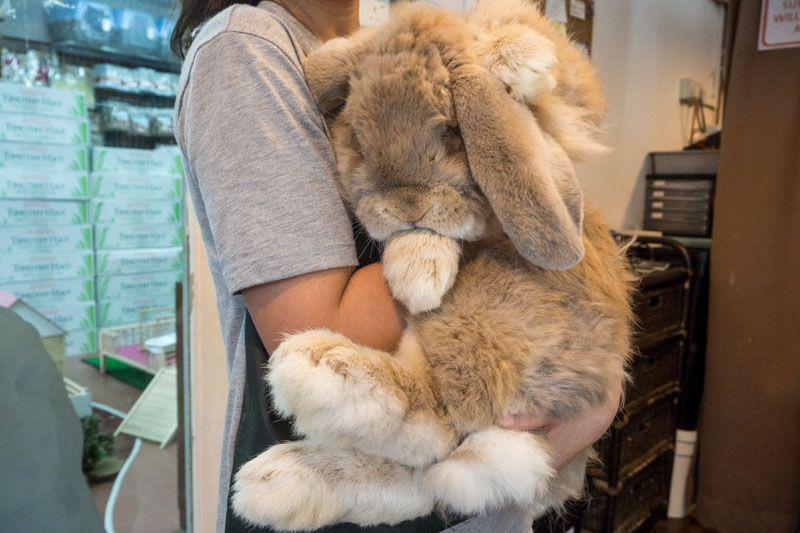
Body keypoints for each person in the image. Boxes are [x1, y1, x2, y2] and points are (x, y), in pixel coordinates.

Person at [171, 1, 622, 531]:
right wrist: (494, 216)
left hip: (480, 493)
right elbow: (318, 330)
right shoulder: (250, 49)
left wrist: (591, 385)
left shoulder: (387, 41)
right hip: (364, 487)